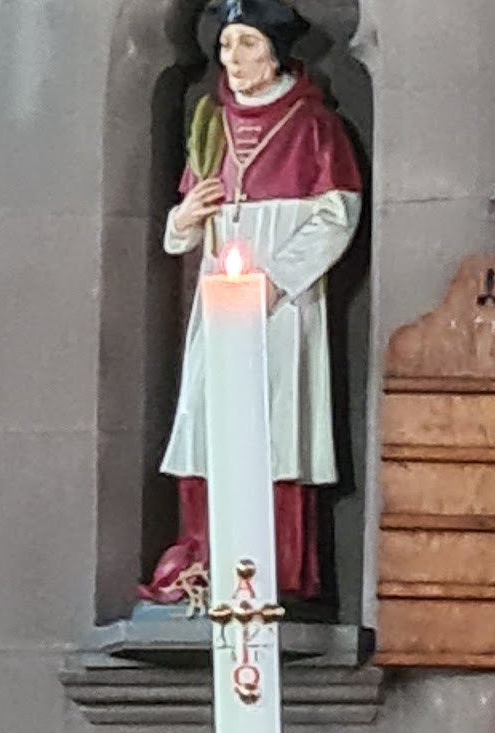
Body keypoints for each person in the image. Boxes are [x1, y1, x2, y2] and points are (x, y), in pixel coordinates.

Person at [139, 0, 362, 606]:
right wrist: (183, 218)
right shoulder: (210, 125)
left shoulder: (314, 127)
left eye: (248, 45)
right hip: (218, 301)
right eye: (226, 46)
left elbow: (337, 215)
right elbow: (182, 233)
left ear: (276, 54)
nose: (232, 60)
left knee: (276, 426)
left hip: (281, 305)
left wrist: (275, 279)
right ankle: (204, 556)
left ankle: (278, 569)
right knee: (206, 421)